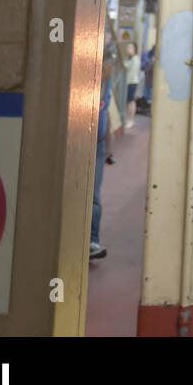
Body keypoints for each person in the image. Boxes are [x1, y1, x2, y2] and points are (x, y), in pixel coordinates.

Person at [90, 45, 115, 261]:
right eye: (109, 66)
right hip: (82, 144)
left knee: (94, 195)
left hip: (98, 145)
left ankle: (92, 241)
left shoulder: (106, 82)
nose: (110, 71)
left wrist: (109, 139)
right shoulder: (84, 81)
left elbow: (105, 109)